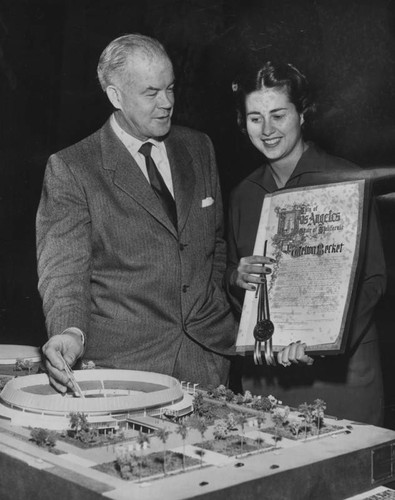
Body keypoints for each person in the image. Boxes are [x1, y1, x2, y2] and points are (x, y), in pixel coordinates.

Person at [37, 34, 236, 395]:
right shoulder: (72, 168)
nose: (167, 103)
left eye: (171, 88)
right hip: (127, 370)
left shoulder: (199, 147)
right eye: (151, 92)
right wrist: (69, 332)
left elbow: (215, 246)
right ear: (115, 95)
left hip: (207, 360)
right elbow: (65, 273)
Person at [225, 60, 386, 424]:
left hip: (340, 383)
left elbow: (373, 281)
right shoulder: (242, 195)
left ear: (302, 114)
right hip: (269, 381)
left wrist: (321, 341)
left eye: (278, 115)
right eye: (255, 118)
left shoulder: (345, 180)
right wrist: (236, 278)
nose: (267, 130)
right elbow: (230, 279)